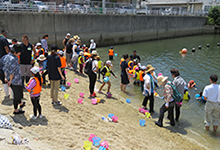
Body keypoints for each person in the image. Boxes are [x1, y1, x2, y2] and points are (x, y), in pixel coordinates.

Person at [3, 44, 25, 114]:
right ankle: (16, 110)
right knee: (17, 95)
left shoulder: (7, 56)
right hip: (15, 80)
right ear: (15, 52)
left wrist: (6, 77)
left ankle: (20, 103)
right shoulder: (13, 59)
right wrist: (10, 80)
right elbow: (12, 72)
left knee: (18, 93)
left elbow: (5, 69)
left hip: (11, 79)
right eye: (19, 52)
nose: (20, 54)